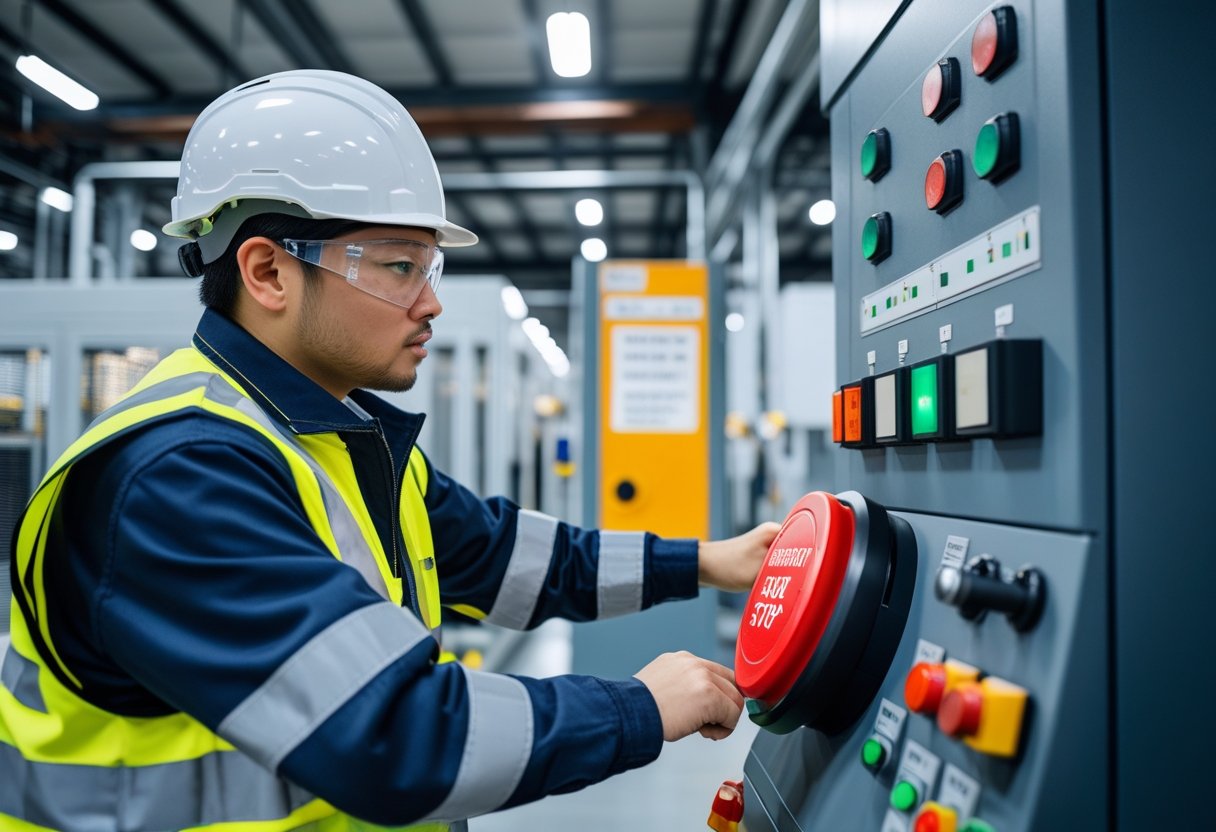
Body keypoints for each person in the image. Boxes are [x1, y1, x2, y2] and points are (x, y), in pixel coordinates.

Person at [0, 69, 779, 831]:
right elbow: (397, 736)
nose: (431, 301)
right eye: (400, 266)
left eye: (430, 266)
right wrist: (640, 707)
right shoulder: (177, 480)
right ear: (268, 270)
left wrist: (712, 560)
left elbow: (508, 555)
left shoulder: (330, 437)